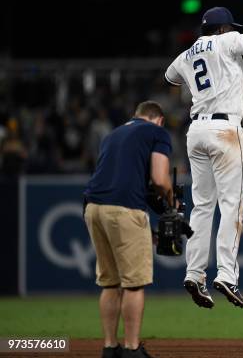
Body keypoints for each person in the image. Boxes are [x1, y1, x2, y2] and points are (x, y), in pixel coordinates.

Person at [165, 0, 243, 309]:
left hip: (196, 131)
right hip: (226, 129)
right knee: (231, 205)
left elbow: (170, 76)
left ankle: (194, 273)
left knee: (201, 207)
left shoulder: (186, 54)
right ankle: (226, 274)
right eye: (228, 27)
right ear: (222, 28)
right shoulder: (226, 39)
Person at [84, 101, 173, 358]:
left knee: (110, 283)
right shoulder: (157, 133)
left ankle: (110, 348)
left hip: (93, 207)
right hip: (124, 209)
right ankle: (133, 349)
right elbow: (159, 178)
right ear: (160, 119)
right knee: (134, 284)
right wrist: (171, 203)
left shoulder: (113, 134)